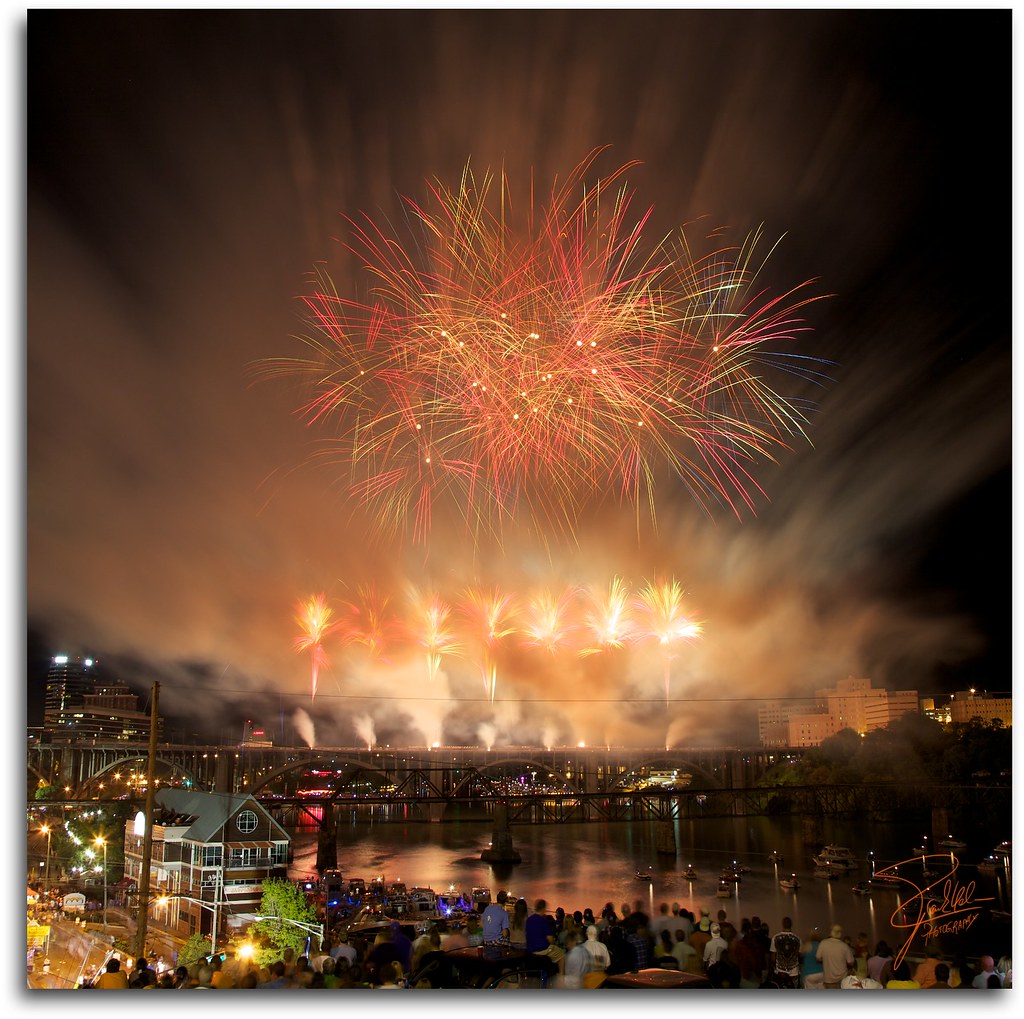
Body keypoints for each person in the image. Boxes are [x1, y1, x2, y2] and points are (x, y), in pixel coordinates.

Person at [816, 924, 854, 988]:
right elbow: (851, 962)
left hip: (828, 979)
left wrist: (826, 959)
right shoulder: (844, 946)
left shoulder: (823, 943)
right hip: (843, 979)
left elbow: (818, 958)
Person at [769, 916, 802, 988]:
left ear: (783, 924)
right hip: (794, 971)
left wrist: (774, 969)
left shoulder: (775, 938)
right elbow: (799, 955)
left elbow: (773, 957)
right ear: (791, 924)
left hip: (781, 972)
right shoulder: (798, 939)